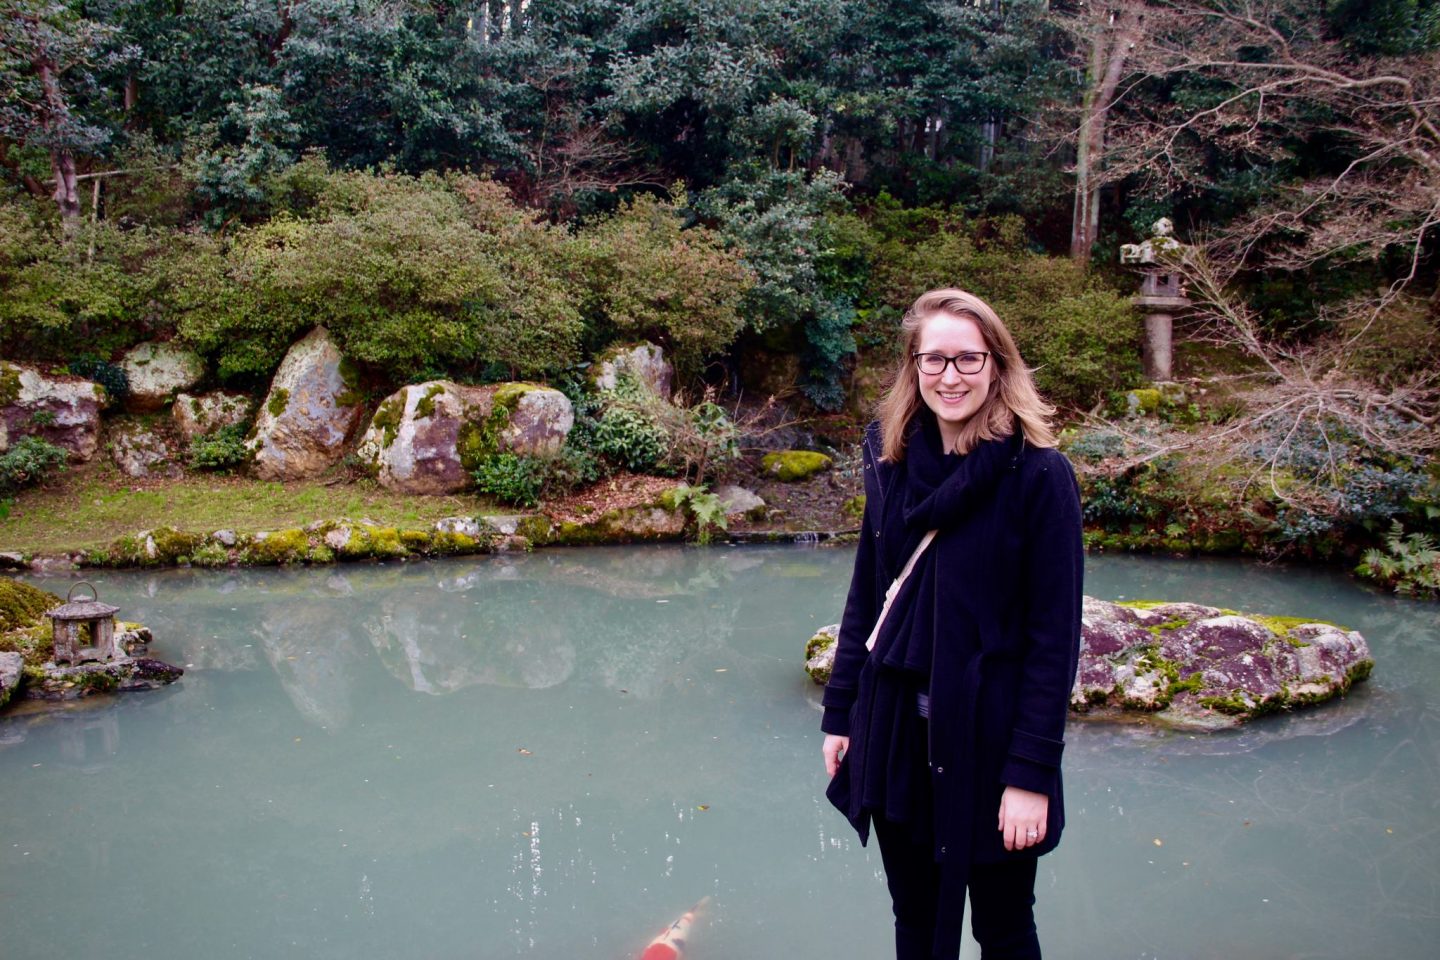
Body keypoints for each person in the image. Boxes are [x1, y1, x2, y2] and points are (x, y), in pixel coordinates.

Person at [820, 288, 1083, 959]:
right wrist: (841, 714)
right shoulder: (891, 462)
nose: (950, 376)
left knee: (1002, 926)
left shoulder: (1039, 477)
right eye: (933, 360)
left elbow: (1054, 642)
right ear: (914, 368)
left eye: (968, 359)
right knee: (915, 921)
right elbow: (868, 598)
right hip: (896, 737)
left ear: (997, 365)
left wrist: (1029, 775)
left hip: (991, 741)